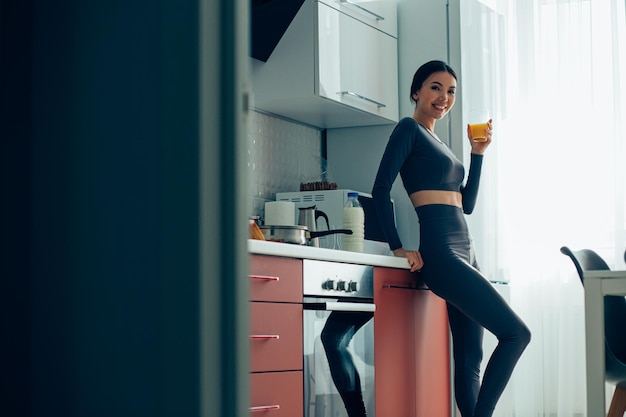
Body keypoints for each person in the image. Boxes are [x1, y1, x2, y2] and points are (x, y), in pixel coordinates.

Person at [371, 60, 531, 417]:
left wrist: (477, 155)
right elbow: (380, 188)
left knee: (470, 357)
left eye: (451, 91)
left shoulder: (438, 141)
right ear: (416, 91)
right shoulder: (408, 130)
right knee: (517, 334)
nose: (444, 97)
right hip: (443, 254)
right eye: (435, 87)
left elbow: (467, 204)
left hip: (466, 251)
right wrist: (397, 246)